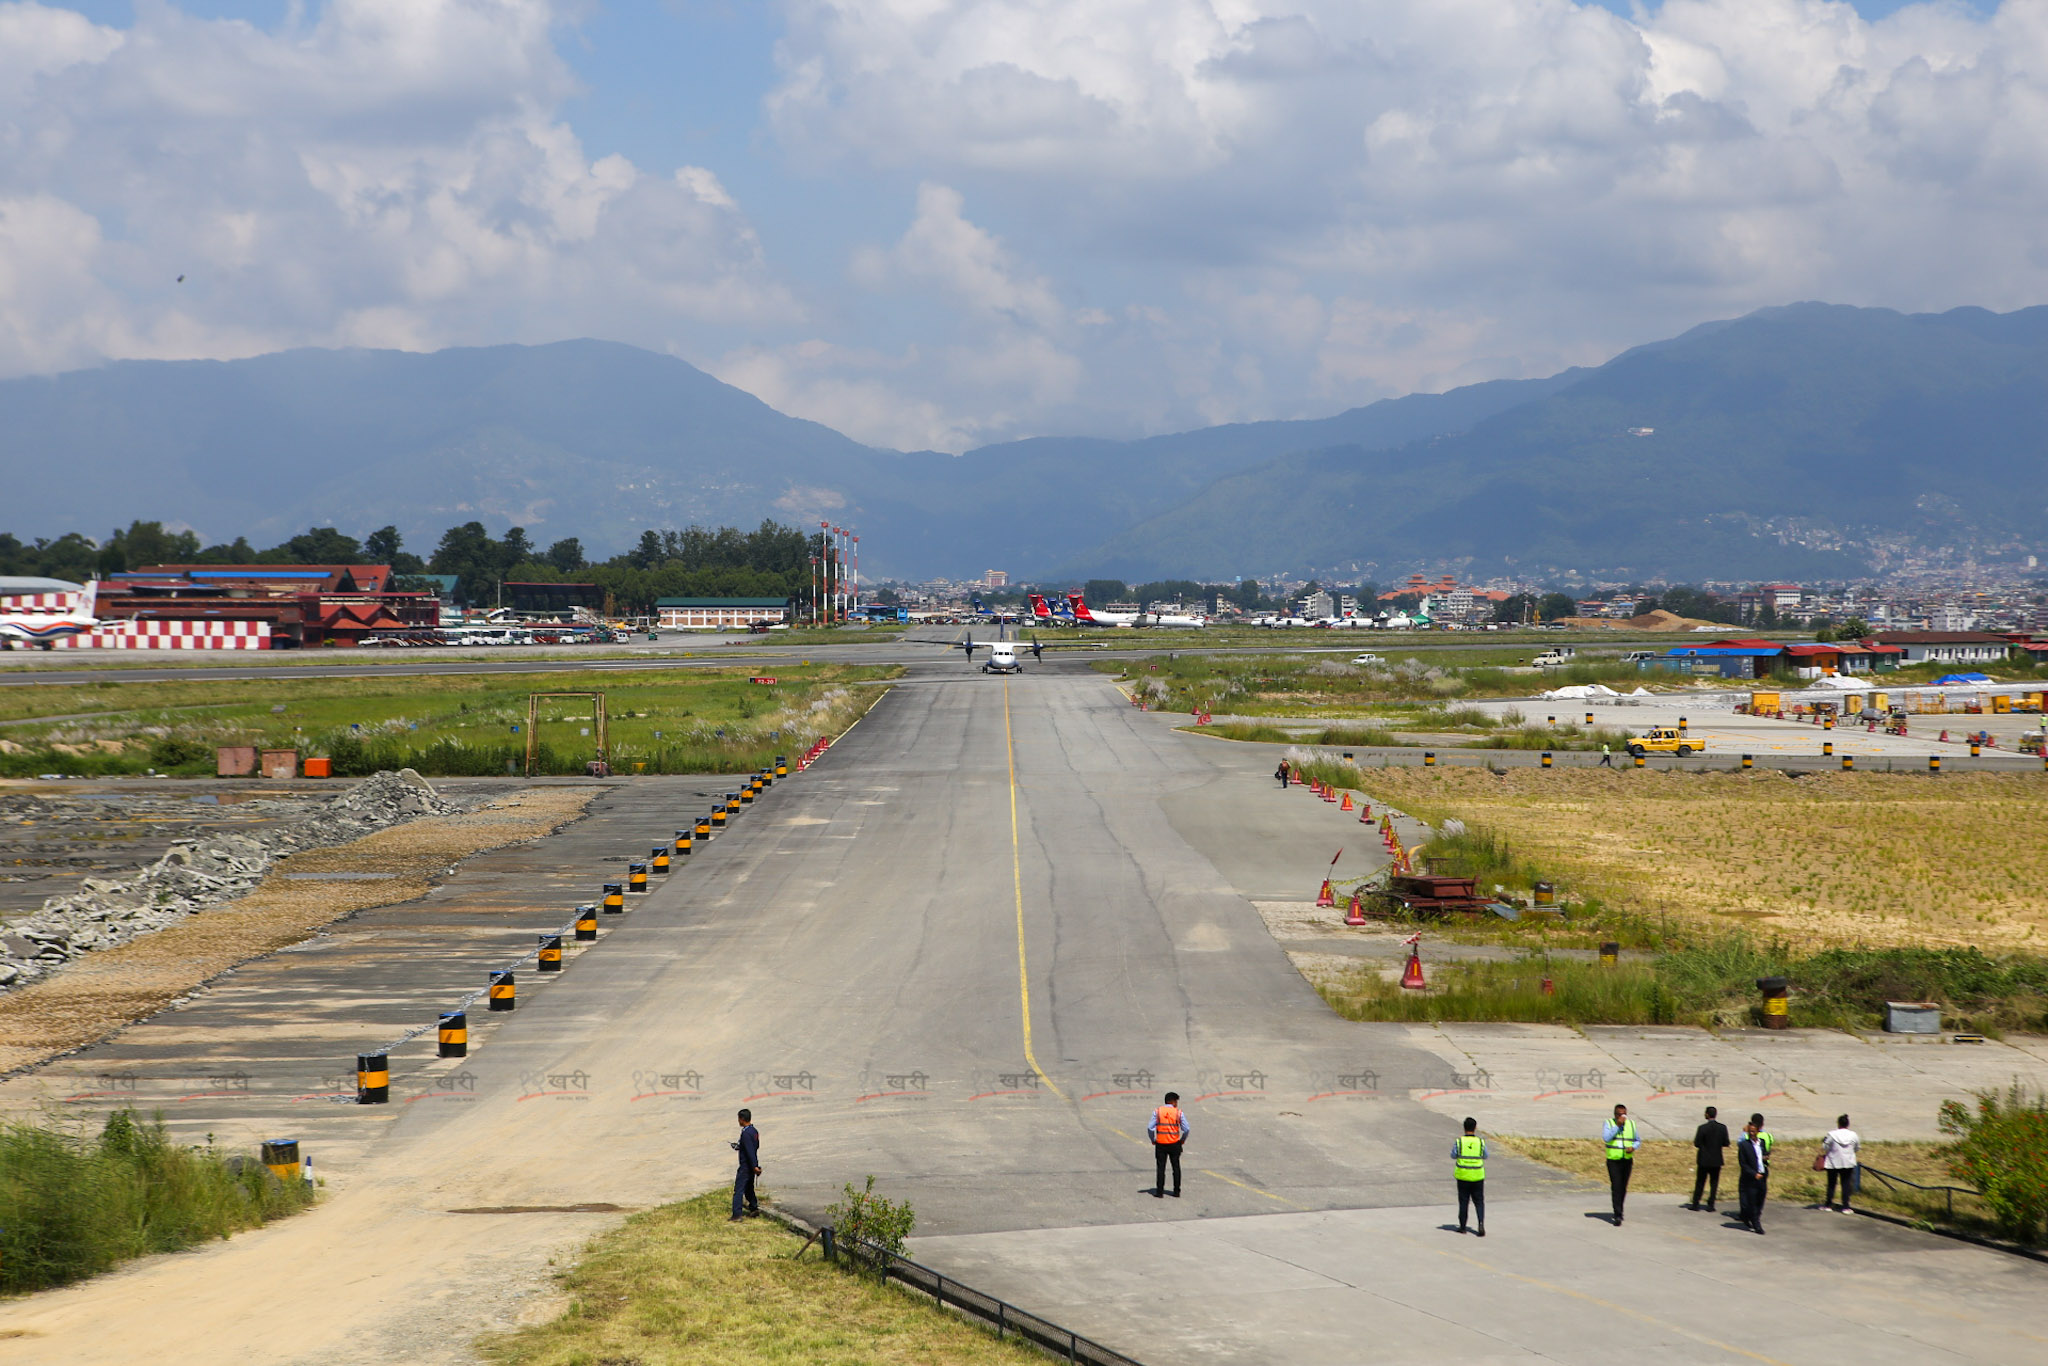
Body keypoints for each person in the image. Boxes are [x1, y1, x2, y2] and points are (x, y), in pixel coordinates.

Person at [1602, 1102, 1639, 1225]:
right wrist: (1617, 1126)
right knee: (1616, 1186)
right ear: (1615, 1115)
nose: (1622, 1117)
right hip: (1613, 1160)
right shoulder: (1609, 1123)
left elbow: (1638, 1140)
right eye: (1619, 1115)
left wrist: (1633, 1147)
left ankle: (1619, 1209)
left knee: (1623, 1187)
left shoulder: (1632, 1125)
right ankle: (1618, 1214)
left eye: (1624, 1114)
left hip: (1627, 1160)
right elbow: (1606, 1138)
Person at [1736, 1113, 1772, 1234]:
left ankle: (1751, 1217)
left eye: (1753, 1131)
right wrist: (1753, 1174)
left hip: (1762, 1175)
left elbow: (1764, 1154)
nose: (1751, 1133)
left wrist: (1765, 1158)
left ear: (1757, 1131)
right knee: (1751, 1201)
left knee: (1760, 1200)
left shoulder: (1761, 1142)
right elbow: (1743, 1164)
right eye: (1749, 1131)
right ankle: (1757, 1225)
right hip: (1752, 1177)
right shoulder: (1744, 1145)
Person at [1689, 1105, 1730, 1211]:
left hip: (1704, 1159)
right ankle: (1711, 1204)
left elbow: (1697, 1143)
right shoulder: (1722, 1128)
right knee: (1714, 1183)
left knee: (1700, 1182)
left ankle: (1696, 1203)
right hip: (1717, 1160)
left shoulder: (1702, 1128)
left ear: (1707, 1114)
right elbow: (1726, 1143)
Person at [1452, 1116, 1487, 1236]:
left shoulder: (1459, 1141)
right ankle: (1481, 1223)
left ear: (1464, 1128)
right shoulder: (1480, 1142)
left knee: (1463, 1201)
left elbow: (1453, 1155)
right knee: (1479, 1201)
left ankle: (1462, 1227)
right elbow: (1485, 1155)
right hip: (1477, 1175)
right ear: (1475, 1128)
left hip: (1463, 1175)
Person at [1149, 1091, 1187, 1197]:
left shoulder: (1157, 1112)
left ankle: (1160, 1191)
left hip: (1161, 1144)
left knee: (1161, 1168)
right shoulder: (1178, 1113)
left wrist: (1153, 1139)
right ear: (1173, 1102)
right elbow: (1186, 1128)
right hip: (1174, 1143)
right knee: (1176, 1167)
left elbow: (1150, 1127)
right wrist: (1182, 1140)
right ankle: (1176, 1191)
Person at [1821, 1114, 1860, 1213]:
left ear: (1838, 1124)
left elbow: (1825, 1147)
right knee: (1846, 1184)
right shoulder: (1853, 1135)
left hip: (1833, 1162)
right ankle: (1846, 1206)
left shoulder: (1831, 1134)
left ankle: (1828, 1205)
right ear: (1848, 1124)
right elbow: (1857, 1148)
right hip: (1848, 1162)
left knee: (1831, 1184)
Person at [730, 1108, 761, 1221]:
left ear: (742, 1119)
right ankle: (754, 1207)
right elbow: (754, 1147)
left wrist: (754, 1166)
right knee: (748, 1188)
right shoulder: (754, 1131)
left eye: (739, 1119)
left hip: (746, 1166)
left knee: (738, 1190)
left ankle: (737, 1214)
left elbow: (749, 1151)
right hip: (751, 1165)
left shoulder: (746, 1133)